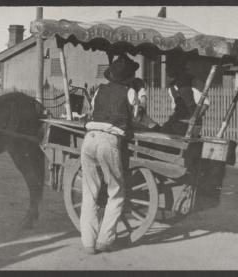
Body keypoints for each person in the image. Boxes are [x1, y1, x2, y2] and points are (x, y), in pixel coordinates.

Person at [80, 54, 140, 254]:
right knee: (116, 191)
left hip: (90, 138)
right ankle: (104, 240)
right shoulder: (130, 91)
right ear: (128, 77)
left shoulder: (99, 90)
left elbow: (92, 111)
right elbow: (136, 116)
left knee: (89, 192)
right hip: (109, 141)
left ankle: (88, 243)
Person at [161, 53, 210, 137]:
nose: (166, 69)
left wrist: (194, 119)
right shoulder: (173, 85)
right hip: (179, 120)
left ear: (178, 67)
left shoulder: (192, 82)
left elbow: (205, 104)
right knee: (161, 131)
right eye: (167, 66)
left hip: (189, 123)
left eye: (170, 66)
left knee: (165, 135)